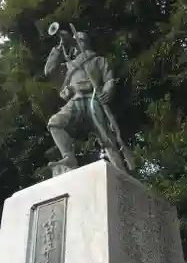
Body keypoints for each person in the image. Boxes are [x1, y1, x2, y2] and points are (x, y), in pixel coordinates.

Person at [44, 30, 127, 171]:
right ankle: (68, 157)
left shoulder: (98, 60)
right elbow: (49, 70)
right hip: (75, 100)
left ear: (86, 42)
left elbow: (109, 79)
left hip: (93, 98)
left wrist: (107, 91)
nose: (77, 44)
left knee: (105, 137)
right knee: (54, 123)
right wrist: (59, 47)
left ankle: (119, 169)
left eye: (80, 40)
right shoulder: (69, 65)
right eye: (75, 41)